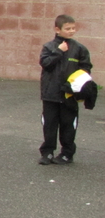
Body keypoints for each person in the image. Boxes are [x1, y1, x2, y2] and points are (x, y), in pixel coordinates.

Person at [38, 15, 93, 165]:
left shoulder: (79, 49)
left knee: (68, 125)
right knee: (49, 125)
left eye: (73, 28)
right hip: (50, 94)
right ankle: (47, 152)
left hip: (69, 95)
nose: (71, 31)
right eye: (67, 29)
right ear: (57, 29)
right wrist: (58, 51)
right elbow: (46, 63)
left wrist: (78, 84)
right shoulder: (49, 47)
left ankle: (67, 153)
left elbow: (86, 68)